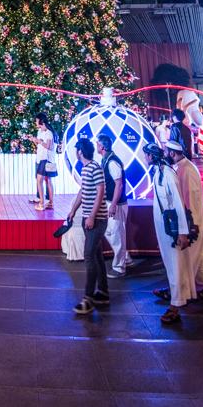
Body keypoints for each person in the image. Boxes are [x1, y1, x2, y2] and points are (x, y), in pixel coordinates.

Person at [143, 142, 193, 323]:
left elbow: (179, 204)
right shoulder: (159, 173)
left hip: (172, 231)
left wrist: (182, 232)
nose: (144, 158)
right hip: (164, 229)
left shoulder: (169, 175)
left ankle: (175, 306)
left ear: (151, 156)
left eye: (145, 155)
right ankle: (176, 297)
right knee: (171, 265)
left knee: (175, 266)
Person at [165, 138, 203, 300]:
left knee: (186, 258)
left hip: (191, 222)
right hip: (196, 219)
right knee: (201, 255)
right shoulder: (186, 166)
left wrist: (185, 227)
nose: (165, 154)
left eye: (166, 152)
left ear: (172, 153)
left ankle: (179, 293)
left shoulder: (184, 170)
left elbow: (186, 199)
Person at [67, 138, 109, 314]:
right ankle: (104, 293)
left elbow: (100, 192)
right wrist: (74, 210)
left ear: (80, 152)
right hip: (88, 219)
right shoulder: (85, 169)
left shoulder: (95, 168)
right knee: (97, 256)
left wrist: (91, 216)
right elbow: (82, 191)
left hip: (97, 220)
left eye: (77, 150)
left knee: (89, 256)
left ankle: (88, 298)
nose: (76, 152)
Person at [96, 134, 133, 278]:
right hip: (111, 202)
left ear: (102, 147)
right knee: (108, 231)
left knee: (116, 235)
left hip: (116, 204)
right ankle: (126, 258)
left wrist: (113, 205)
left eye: (97, 144)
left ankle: (119, 267)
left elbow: (119, 184)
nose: (96, 147)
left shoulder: (112, 162)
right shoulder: (107, 159)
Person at [29, 113, 56, 211]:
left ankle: (42, 203)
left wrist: (39, 141)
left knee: (39, 180)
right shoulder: (42, 131)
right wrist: (34, 140)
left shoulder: (48, 132)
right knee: (48, 180)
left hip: (46, 159)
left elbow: (48, 146)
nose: (35, 122)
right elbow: (40, 144)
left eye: (36, 120)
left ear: (41, 121)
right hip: (47, 159)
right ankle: (51, 202)